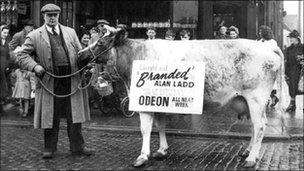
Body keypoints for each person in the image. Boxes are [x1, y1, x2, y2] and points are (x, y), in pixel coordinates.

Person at [16, 3, 93, 159]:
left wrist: (87, 61)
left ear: (58, 16)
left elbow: (80, 53)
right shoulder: (35, 35)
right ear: (44, 16)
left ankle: (77, 147)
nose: (52, 18)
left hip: (71, 79)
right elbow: (22, 56)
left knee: (74, 114)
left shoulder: (70, 32)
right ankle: (49, 148)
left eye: (54, 15)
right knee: (51, 114)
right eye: (49, 15)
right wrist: (35, 66)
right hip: (50, 80)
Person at [258, 25, 280, 107]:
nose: (259, 33)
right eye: (259, 32)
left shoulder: (272, 42)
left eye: (261, 32)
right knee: (262, 83)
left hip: (270, 64)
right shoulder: (259, 41)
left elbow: (274, 52)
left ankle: (272, 98)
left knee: (270, 83)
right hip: (262, 65)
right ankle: (267, 99)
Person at [285, 30, 304, 111]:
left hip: (301, 70)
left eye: (292, 38)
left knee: (302, 87)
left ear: (297, 38)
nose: (291, 39)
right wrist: (286, 72)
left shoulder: (302, 47)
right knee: (292, 87)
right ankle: (292, 104)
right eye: (290, 38)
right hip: (292, 71)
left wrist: (302, 59)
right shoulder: (289, 49)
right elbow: (287, 61)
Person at [0, 25, 11, 113]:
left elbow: (8, 56)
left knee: (3, 86)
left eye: (7, 33)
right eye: (4, 32)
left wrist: (7, 65)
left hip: (3, 68)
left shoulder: (6, 43)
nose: (6, 34)